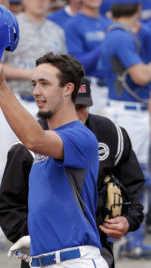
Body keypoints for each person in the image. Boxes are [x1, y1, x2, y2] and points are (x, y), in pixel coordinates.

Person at [0, 81, 145, 268]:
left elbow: (134, 184)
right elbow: (7, 205)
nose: (77, 115)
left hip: (96, 249)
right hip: (41, 255)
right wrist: (34, 235)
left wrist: (129, 220)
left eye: (82, 107)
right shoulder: (29, 143)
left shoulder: (111, 134)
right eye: (71, 107)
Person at [0, 53, 108, 267]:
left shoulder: (81, 135)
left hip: (76, 261)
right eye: (34, 83)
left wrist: (0, 86)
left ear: (67, 89)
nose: (36, 91)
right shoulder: (46, 142)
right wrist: (39, 239)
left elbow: (34, 139)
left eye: (45, 83)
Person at [0, 0, 67, 253]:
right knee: (4, 164)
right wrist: (33, 76)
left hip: (47, 107)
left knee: (46, 167)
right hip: (16, 100)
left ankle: (39, 225)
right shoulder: (11, 27)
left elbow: (65, 70)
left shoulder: (57, 30)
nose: (41, 2)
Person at [99, 0, 151, 257]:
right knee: (135, 177)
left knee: (135, 177)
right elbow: (141, 76)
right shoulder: (119, 35)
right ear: (138, 9)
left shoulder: (121, 32)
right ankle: (132, 242)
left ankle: (131, 240)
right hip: (125, 112)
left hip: (128, 109)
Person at [64, 0, 112, 115]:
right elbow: (79, 65)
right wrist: (105, 43)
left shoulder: (109, 23)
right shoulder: (73, 24)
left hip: (111, 88)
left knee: (113, 132)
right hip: (89, 88)